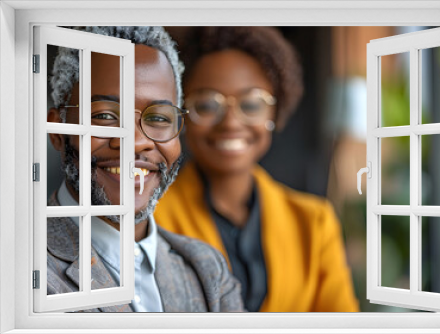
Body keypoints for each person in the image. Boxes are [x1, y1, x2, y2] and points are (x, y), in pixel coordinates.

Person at [154, 27, 359, 312]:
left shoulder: (314, 223)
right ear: (182, 113)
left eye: (251, 103)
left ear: (275, 112)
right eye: (206, 104)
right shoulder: (152, 218)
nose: (230, 123)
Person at [46, 26, 243, 312]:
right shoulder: (21, 271)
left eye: (159, 118)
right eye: (104, 115)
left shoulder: (207, 271)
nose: (136, 142)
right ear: (57, 129)